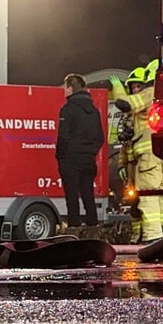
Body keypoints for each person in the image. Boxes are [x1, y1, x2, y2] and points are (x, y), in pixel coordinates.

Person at [110, 61, 163, 241]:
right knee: (162, 197)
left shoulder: (150, 93)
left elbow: (124, 103)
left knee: (148, 196)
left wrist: (118, 88)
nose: (137, 89)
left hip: (148, 158)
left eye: (139, 85)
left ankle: (152, 236)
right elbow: (127, 142)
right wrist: (122, 163)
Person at [55, 73, 103, 230]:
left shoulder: (67, 109)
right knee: (88, 195)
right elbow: (100, 138)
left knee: (72, 196)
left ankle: (74, 228)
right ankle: (93, 227)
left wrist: (60, 156)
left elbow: (63, 136)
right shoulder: (94, 111)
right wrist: (90, 152)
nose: (64, 90)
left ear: (70, 88)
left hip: (70, 159)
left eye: (65, 87)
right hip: (89, 160)